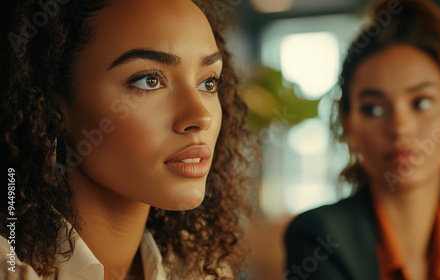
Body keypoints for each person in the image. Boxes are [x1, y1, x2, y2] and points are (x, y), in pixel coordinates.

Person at [0, 0, 258, 279]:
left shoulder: (200, 271)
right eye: (149, 80)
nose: (201, 116)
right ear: (50, 104)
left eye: (209, 82)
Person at [284, 0, 440, 279]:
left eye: (421, 103)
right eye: (372, 108)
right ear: (349, 127)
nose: (399, 127)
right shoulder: (317, 239)